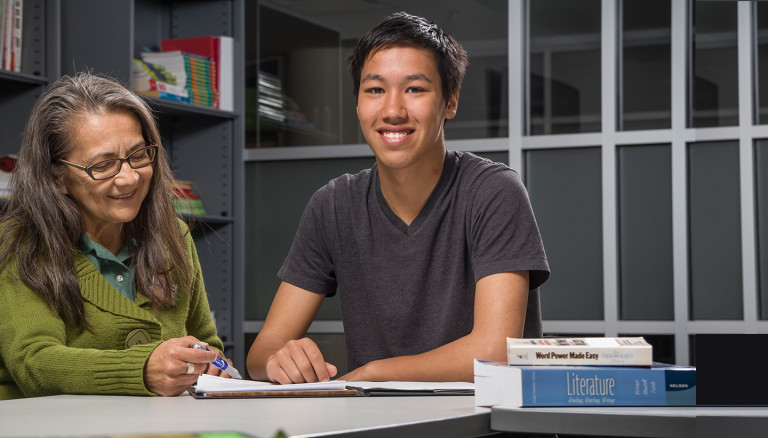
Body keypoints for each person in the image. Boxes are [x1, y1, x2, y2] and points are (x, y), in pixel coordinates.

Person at [246, 12, 550, 384]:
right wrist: (281, 358)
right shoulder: (334, 205)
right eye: (374, 90)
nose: (392, 111)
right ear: (357, 103)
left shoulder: (492, 191)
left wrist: (372, 373)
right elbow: (262, 351)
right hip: (384, 424)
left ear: (450, 102)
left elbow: (494, 350)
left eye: (415, 89)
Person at [0, 72, 234, 400]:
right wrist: (141, 369)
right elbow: (34, 362)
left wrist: (210, 363)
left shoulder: (173, 236)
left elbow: (206, 341)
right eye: (103, 165)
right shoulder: (18, 243)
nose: (128, 178)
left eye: (138, 156)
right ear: (58, 178)